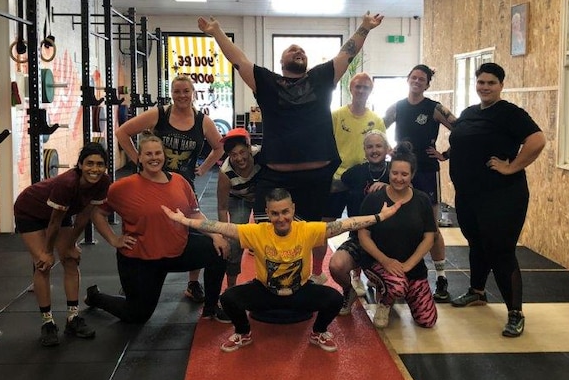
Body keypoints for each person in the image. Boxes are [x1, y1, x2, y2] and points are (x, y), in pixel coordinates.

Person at [198, 12, 384, 285]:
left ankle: (313, 275)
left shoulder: (321, 77)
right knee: (267, 233)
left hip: (316, 178)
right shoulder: (267, 82)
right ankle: (267, 281)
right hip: (276, 177)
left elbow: (348, 54)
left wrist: (365, 28)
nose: (297, 50)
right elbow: (239, 60)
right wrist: (216, 32)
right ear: (282, 61)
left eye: (301, 50)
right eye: (291, 49)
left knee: (313, 233)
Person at [163, 188, 401, 352]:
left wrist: (381, 216)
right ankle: (244, 332)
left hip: (300, 292)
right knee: (228, 298)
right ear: (267, 212)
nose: (281, 218)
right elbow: (220, 226)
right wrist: (184, 221)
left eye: (285, 212)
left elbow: (346, 224)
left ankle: (318, 332)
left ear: (292, 209)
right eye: (275, 213)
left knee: (334, 298)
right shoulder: (256, 232)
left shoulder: (307, 230)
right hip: (265, 291)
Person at [443, 62, 545, 337]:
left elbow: (537, 140)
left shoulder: (510, 114)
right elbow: (462, 141)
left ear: (501, 85)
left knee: (501, 251)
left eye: (491, 83)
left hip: (502, 196)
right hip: (469, 195)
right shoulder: (469, 112)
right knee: (476, 243)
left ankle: (515, 313)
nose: (485, 87)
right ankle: (477, 291)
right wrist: (445, 155)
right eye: (481, 82)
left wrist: (512, 167)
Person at [85, 133, 230, 324]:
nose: (154, 158)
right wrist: (114, 240)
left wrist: (215, 235)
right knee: (136, 315)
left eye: (158, 153)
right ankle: (96, 297)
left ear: (164, 155)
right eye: (148, 154)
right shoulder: (122, 188)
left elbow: (194, 214)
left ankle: (211, 308)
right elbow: (98, 214)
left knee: (218, 250)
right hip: (142, 259)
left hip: (178, 250)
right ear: (140, 158)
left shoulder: (179, 181)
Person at [115, 73, 225, 304]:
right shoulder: (159, 114)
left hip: (182, 184)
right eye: (177, 91)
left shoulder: (202, 121)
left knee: (192, 230)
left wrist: (203, 168)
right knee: (143, 227)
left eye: (186, 91)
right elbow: (122, 132)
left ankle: (193, 284)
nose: (182, 95)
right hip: (150, 182)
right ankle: (133, 280)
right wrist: (137, 160)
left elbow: (219, 148)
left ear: (193, 93)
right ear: (171, 93)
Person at [13, 142, 111, 347]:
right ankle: (47, 322)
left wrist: (70, 245)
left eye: (100, 164)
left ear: (105, 167)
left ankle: (73, 318)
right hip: (30, 210)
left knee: (71, 260)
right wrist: (47, 252)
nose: (95, 169)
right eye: (89, 163)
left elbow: (85, 216)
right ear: (80, 165)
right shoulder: (67, 184)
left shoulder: (103, 182)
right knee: (43, 264)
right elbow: (54, 223)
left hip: (61, 212)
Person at [383, 64, 455, 302]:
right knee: (398, 222)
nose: (417, 81)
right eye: (413, 77)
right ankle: (398, 274)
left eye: (421, 79)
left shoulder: (434, 108)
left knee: (431, 227)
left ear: (427, 83)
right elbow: (374, 127)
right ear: (408, 79)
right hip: (401, 172)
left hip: (426, 171)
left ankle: (442, 277)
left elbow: (462, 128)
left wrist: (446, 153)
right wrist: (385, 148)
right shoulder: (397, 107)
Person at [357, 142, 438, 329]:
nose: (399, 178)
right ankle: (385, 302)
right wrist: (385, 261)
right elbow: (363, 236)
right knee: (397, 285)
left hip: (411, 267)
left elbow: (429, 237)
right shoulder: (374, 199)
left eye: (404, 174)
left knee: (428, 321)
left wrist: (410, 264)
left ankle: (402, 290)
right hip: (379, 263)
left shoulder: (422, 200)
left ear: (412, 175)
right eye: (394, 173)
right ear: (389, 172)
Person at [325, 72, 386, 295]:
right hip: (336, 178)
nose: (361, 91)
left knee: (360, 225)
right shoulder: (337, 115)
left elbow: (380, 146)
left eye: (366, 88)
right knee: (325, 226)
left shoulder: (375, 120)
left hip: (361, 180)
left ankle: (357, 274)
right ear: (351, 88)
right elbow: (325, 142)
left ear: (370, 91)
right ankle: (316, 272)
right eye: (358, 87)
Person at [328, 129, 391, 315]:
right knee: (336, 265)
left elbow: (411, 190)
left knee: (391, 279)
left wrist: (389, 187)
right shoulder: (355, 173)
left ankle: (385, 301)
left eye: (378, 146)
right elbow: (334, 187)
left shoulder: (395, 171)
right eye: (369, 146)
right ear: (364, 150)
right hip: (359, 237)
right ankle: (349, 291)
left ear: (386, 148)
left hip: (389, 240)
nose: (374, 150)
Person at [216, 127, 261, 287]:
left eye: (242, 152)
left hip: (261, 196)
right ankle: (231, 288)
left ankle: (269, 280)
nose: (239, 158)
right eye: (233, 155)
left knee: (270, 234)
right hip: (238, 198)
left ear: (249, 148)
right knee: (235, 241)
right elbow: (222, 207)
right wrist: (224, 235)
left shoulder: (260, 155)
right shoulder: (225, 172)